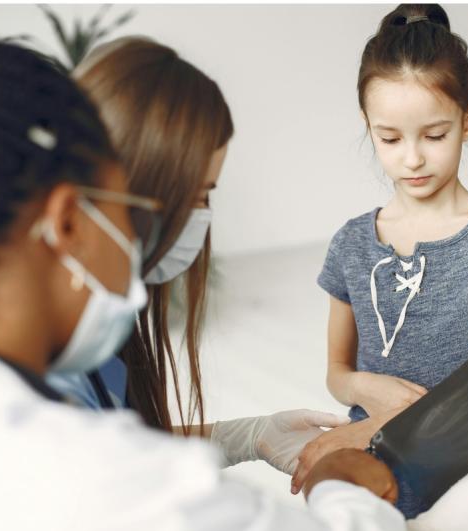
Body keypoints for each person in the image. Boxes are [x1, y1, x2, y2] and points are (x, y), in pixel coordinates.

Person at [0, 26, 409, 531]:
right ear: (68, 221)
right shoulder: (98, 486)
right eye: (130, 213)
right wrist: (342, 481)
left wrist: (247, 435)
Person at [291, 3, 468, 528]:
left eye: (434, 135)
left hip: (465, 484)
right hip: (366, 477)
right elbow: (337, 372)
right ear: (368, 127)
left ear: (467, 120)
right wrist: (363, 390)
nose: (412, 158)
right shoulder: (351, 243)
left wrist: (368, 428)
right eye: (389, 138)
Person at [45, 36, 346, 476]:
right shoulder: (46, 368)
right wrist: (346, 495)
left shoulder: (100, 318)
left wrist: (249, 436)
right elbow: (107, 482)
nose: (202, 216)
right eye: (198, 195)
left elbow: (123, 446)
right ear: (140, 183)